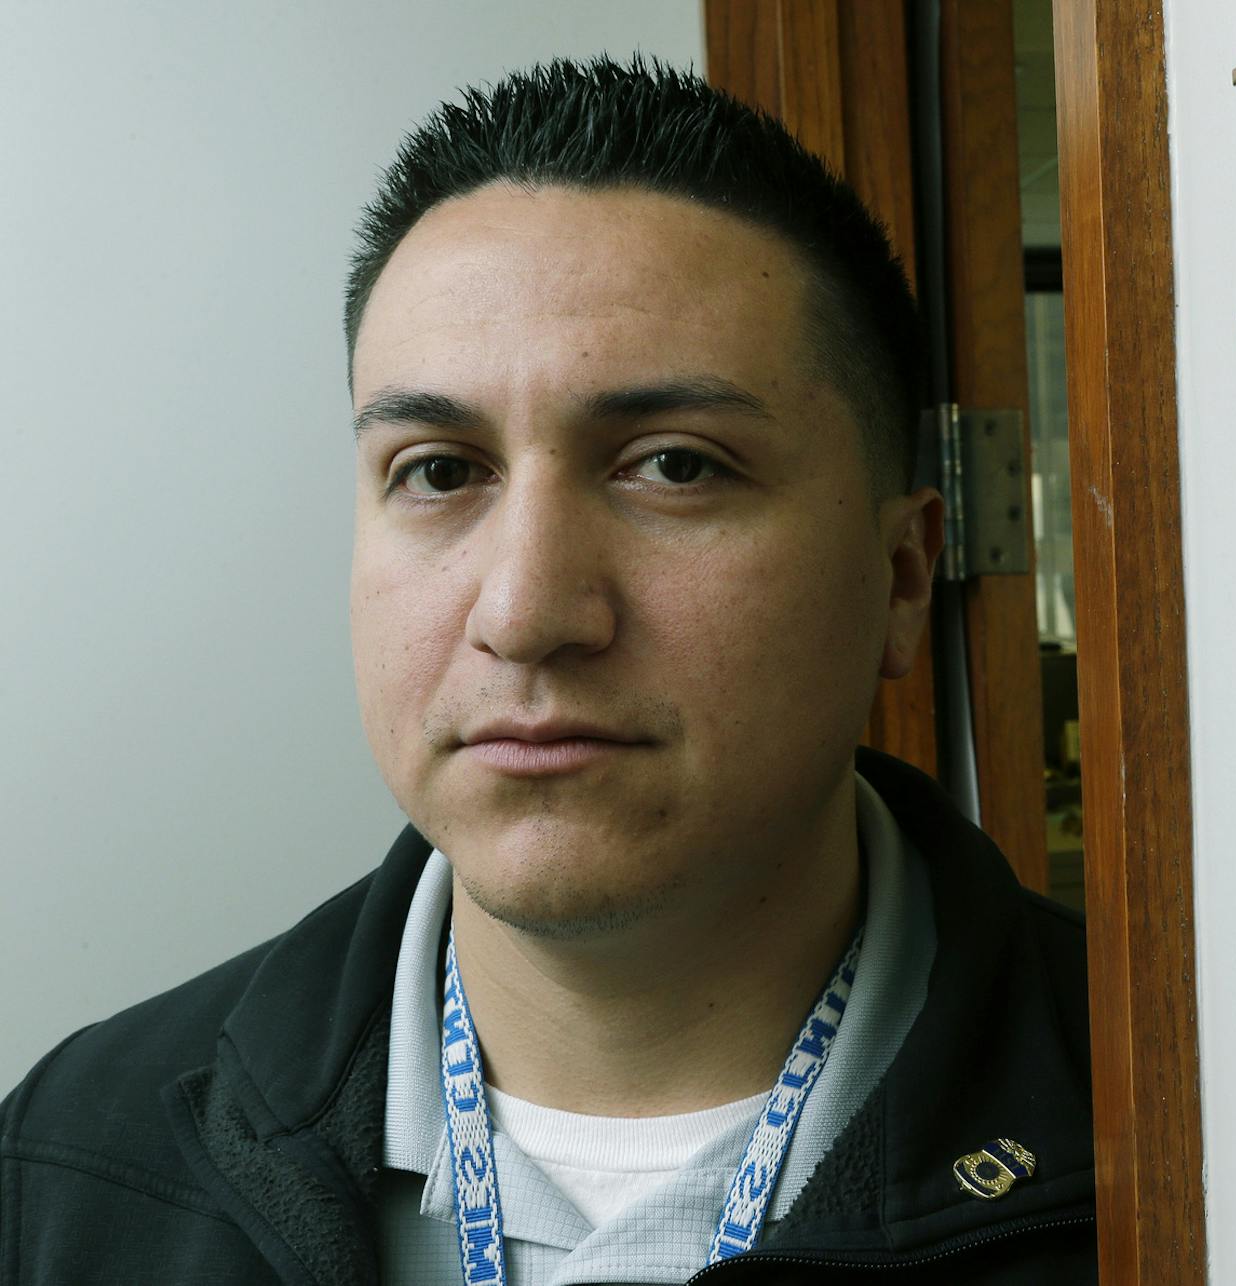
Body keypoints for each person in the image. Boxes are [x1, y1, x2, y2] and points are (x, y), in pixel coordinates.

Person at [0, 57, 1094, 1285]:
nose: (524, 613)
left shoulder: (1178, 1142)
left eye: (675, 466)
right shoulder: (73, 1160)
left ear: (900, 578)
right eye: (439, 469)